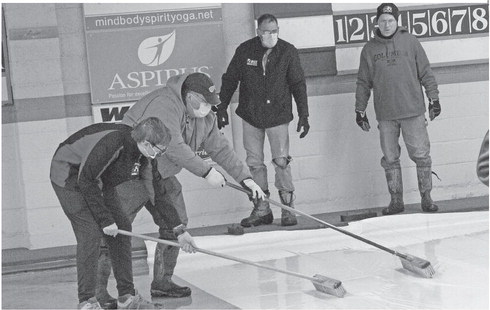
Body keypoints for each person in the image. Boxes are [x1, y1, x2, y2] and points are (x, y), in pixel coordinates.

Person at [112, 72, 265, 299]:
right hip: (131, 173)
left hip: (161, 174)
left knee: (176, 224)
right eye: (203, 102)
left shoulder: (206, 118)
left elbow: (220, 149)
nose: (207, 108)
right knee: (115, 227)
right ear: (190, 96)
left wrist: (246, 179)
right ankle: (95, 295)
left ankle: (162, 282)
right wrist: (207, 171)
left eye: (210, 104)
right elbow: (173, 146)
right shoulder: (165, 104)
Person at [50, 117, 182, 309]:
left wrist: (179, 230)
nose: (160, 154)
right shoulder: (113, 143)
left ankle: (126, 297)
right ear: (146, 142)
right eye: (160, 150)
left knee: (122, 227)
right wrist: (105, 221)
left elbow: (158, 191)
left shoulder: (145, 155)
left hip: (98, 179)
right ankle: (86, 301)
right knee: (90, 234)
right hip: (68, 175)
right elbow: (85, 180)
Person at [216, 13, 309, 227]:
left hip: (278, 115)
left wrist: (304, 113)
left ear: (278, 30)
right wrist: (221, 106)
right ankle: (261, 208)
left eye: (274, 31)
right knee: (254, 163)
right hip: (251, 114)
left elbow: (298, 84)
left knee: (281, 162)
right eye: (266, 31)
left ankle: (288, 209)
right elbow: (230, 78)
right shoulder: (245, 50)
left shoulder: (288, 51)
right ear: (258, 31)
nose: (270, 35)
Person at [355, 3, 441, 215]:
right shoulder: (369, 49)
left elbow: (426, 72)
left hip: (413, 111)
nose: (386, 24)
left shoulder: (410, 42)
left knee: (421, 155)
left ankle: (426, 198)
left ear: (397, 21)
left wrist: (434, 98)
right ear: (377, 22)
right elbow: (363, 82)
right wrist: (360, 110)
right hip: (386, 115)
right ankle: (396, 201)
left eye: (390, 20)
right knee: (390, 158)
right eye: (382, 21)